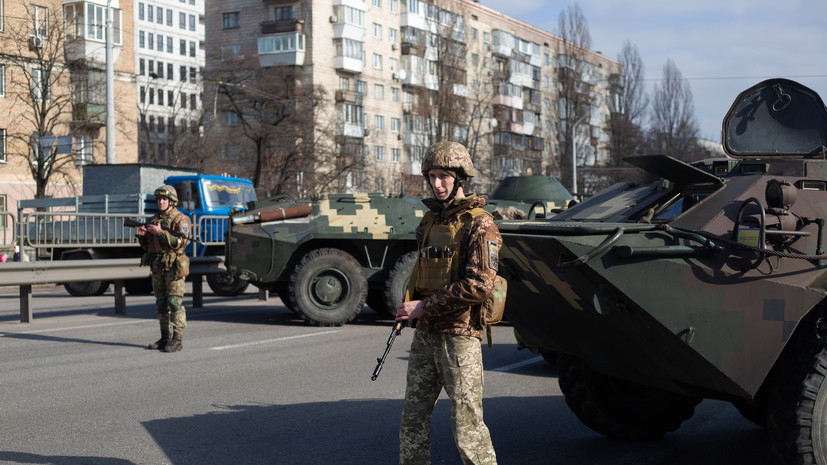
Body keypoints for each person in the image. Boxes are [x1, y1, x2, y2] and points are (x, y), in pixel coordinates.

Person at [396, 141, 501, 465]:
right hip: (426, 334)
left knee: (468, 426)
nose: (437, 184)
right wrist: (410, 304)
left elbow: (480, 285)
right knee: (412, 419)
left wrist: (424, 307)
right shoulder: (430, 221)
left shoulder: (480, 224)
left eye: (443, 176)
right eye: (432, 176)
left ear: (459, 178)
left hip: (459, 336)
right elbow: (422, 270)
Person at [137, 185, 191, 352]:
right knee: (161, 303)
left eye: (164, 199)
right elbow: (147, 247)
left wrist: (160, 233)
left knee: (174, 302)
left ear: (172, 201)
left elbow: (181, 242)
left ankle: (177, 339)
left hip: (174, 267)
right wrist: (142, 236)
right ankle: (165, 337)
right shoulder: (153, 220)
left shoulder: (180, 219)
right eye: (159, 199)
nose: (161, 202)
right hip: (158, 266)